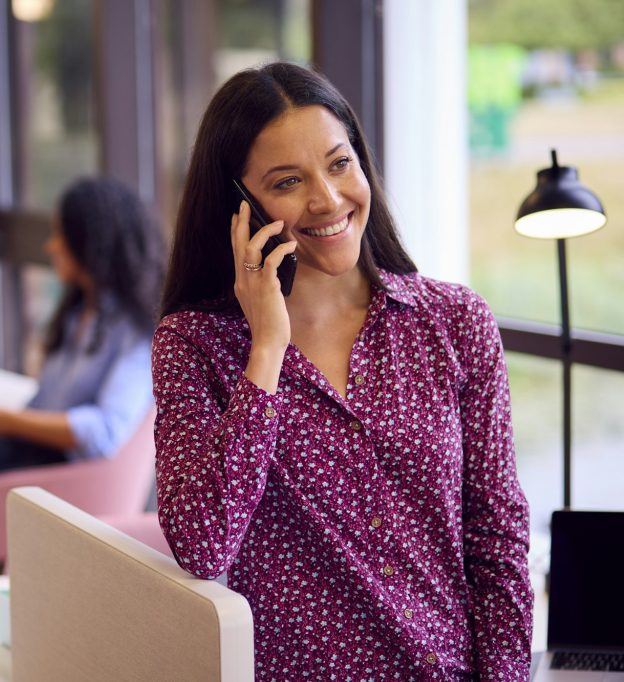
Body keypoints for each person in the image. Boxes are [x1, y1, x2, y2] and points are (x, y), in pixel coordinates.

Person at [153, 62, 532, 680]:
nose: (327, 200)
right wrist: (267, 346)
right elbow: (203, 544)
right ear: (240, 206)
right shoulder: (195, 345)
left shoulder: (455, 322)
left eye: (338, 163)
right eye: (287, 181)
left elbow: (497, 537)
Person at [0, 176, 165, 484]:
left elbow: (104, 432)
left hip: (59, 474)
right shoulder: (78, 315)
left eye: (60, 235)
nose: (51, 246)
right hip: (28, 452)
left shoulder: (138, 334)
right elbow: (43, 409)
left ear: (89, 244)